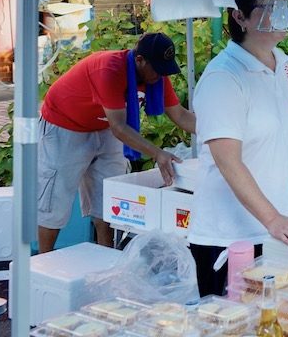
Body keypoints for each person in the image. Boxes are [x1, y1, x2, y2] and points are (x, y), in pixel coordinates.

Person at [187, 0, 288, 297]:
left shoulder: (286, 65)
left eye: (285, 3)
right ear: (240, 17)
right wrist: (271, 218)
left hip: (284, 230)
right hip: (232, 236)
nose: (282, 12)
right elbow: (228, 160)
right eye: (270, 5)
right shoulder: (223, 78)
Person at [37, 32, 195, 252]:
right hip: (65, 125)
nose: (161, 75)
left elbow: (180, 115)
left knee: (108, 198)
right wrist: (158, 153)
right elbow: (119, 127)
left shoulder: (157, 76)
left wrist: (221, 135)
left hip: (104, 127)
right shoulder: (109, 69)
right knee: (55, 200)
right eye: (157, 68)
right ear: (140, 60)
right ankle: (43, 264)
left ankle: (107, 258)